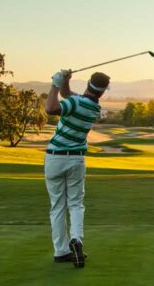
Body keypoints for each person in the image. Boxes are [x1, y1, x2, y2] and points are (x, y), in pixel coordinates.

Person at [42, 69, 111, 268]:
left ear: (88, 83)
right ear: (103, 91)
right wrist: (66, 82)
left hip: (55, 158)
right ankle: (77, 240)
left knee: (57, 206)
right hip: (77, 161)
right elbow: (68, 96)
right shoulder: (93, 108)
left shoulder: (76, 103)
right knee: (76, 204)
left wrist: (55, 83)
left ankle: (61, 251)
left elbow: (50, 108)